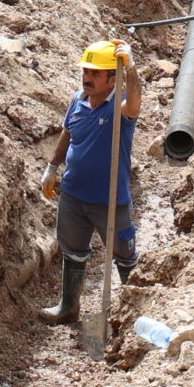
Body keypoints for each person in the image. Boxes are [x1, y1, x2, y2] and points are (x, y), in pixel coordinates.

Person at [37, 41, 141, 325]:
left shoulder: (120, 108)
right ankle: (68, 307)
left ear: (112, 79)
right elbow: (67, 134)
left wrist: (130, 68)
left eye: (96, 73)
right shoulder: (78, 100)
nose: (87, 77)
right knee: (72, 250)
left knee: (125, 255)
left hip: (109, 199)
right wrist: (52, 167)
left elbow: (135, 101)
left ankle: (133, 317)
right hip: (73, 195)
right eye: (85, 71)